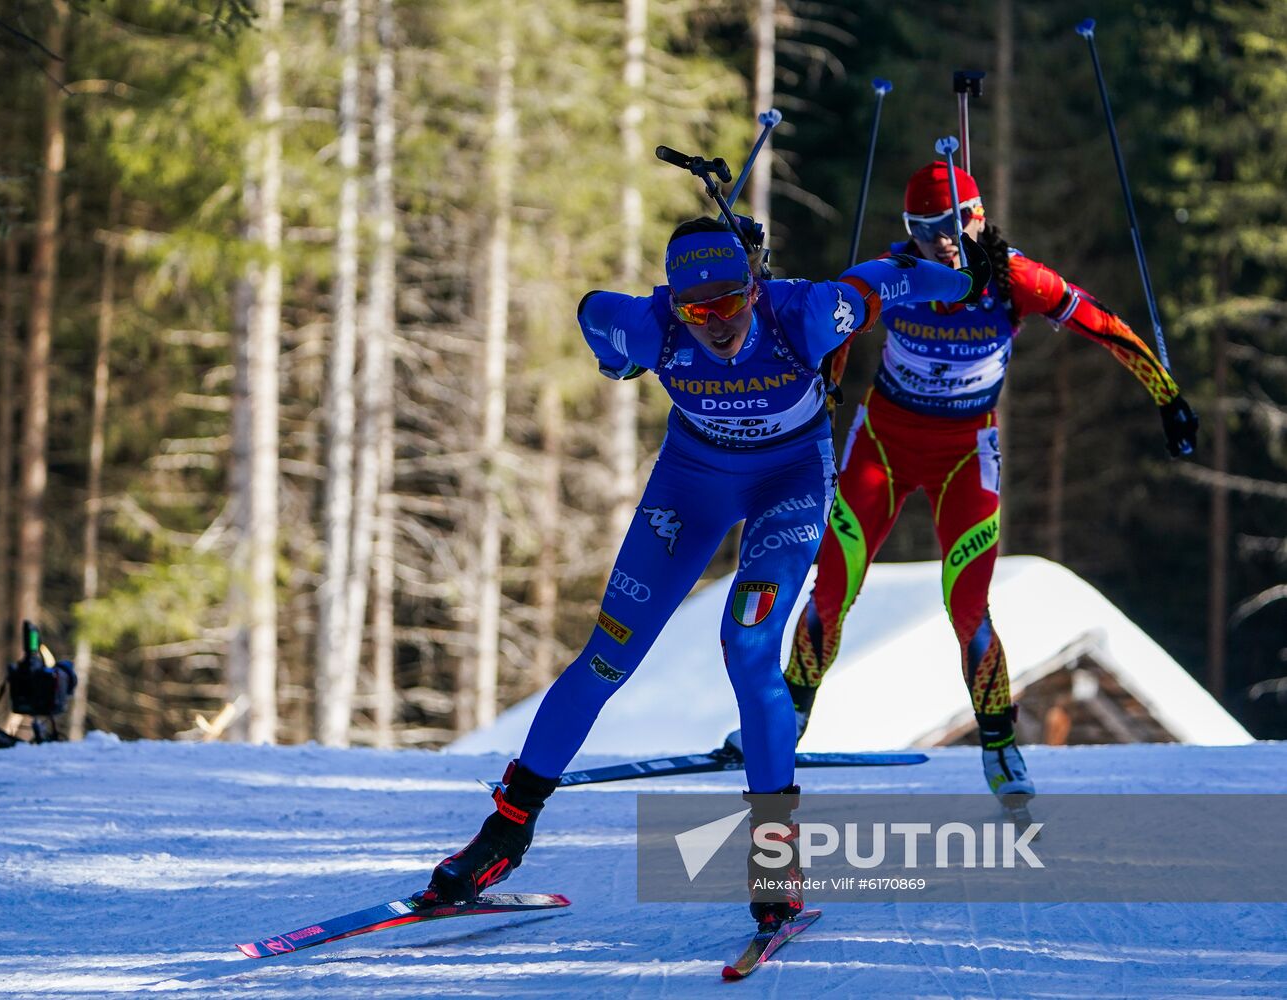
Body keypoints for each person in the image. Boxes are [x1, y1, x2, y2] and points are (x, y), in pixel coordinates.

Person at [419, 215, 990, 928]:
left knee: (749, 647)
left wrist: (965, 277)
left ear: (755, 285)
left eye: (729, 301)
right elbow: (592, 310)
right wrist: (616, 360)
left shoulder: (804, 315)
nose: (716, 323)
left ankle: (777, 857)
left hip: (789, 483)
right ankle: (504, 832)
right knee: (607, 657)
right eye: (697, 310)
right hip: (691, 483)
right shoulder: (648, 325)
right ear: (673, 303)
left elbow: (890, 282)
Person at [759, 161, 1198, 803]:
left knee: (967, 605)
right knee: (832, 587)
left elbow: (1100, 322)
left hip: (966, 453)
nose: (935, 238)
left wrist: (1168, 396)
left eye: (948, 223)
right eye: (919, 226)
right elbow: (835, 320)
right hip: (883, 445)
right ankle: (787, 717)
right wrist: (823, 387)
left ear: (977, 217)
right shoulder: (899, 272)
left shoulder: (1015, 279)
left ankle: (999, 744)